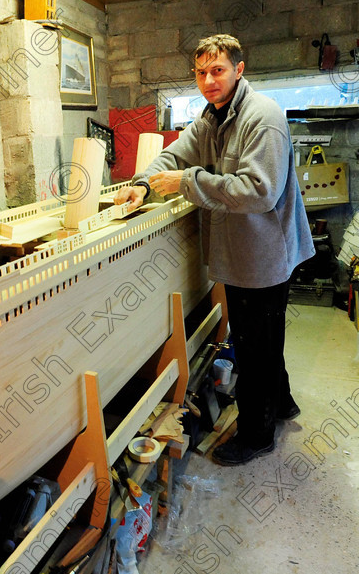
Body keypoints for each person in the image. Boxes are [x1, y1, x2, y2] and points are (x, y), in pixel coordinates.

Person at [114, 34, 314, 466]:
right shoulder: (210, 118)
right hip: (242, 252)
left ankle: (257, 436)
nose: (209, 80)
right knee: (262, 338)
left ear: (239, 70)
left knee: (255, 348)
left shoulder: (263, 118)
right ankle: (282, 405)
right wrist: (143, 184)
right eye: (201, 73)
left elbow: (258, 192)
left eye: (218, 70)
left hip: (264, 255)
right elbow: (175, 155)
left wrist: (189, 183)